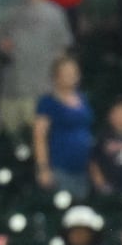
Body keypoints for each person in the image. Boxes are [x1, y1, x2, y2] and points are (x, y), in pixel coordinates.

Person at [0, 0, 73, 132]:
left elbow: (62, 55)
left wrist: (61, 92)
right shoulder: (9, 14)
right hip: (11, 92)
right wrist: (2, 47)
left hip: (43, 93)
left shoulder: (55, 14)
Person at [34, 56, 94, 200]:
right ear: (56, 77)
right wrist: (43, 168)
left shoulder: (83, 98)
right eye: (66, 73)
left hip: (84, 167)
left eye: (74, 73)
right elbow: (39, 136)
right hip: (60, 166)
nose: (71, 77)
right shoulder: (47, 102)